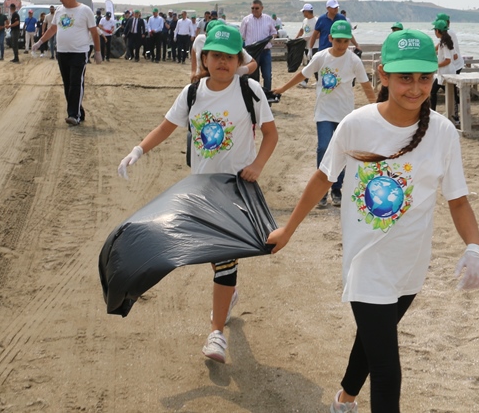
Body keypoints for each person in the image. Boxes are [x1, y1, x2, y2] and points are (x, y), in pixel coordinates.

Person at [266, 28, 479, 413]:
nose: (415, 88)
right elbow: (323, 177)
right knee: (388, 369)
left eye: (424, 77)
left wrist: (475, 246)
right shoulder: (357, 124)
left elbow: (458, 200)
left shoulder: (443, 133)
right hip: (366, 262)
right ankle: (349, 400)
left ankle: (344, 399)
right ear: (382, 75)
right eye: (405, 78)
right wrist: (289, 228)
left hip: (411, 266)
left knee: (372, 341)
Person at [116, 24, 278, 364]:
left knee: (223, 259)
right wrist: (138, 150)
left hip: (237, 188)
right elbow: (166, 127)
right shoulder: (192, 94)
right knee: (216, 255)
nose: (222, 63)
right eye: (216, 56)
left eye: (229, 57)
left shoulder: (250, 90)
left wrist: (258, 166)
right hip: (202, 188)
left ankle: (216, 333)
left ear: (239, 60)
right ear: (204, 58)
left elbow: (270, 135)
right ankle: (227, 297)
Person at [273, 19, 376, 207]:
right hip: (324, 112)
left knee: (343, 151)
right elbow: (302, 74)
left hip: (345, 114)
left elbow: (366, 86)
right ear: (330, 38)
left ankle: (336, 189)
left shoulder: (354, 60)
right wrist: (282, 88)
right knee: (323, 148)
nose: (342, 45)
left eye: (346, 41)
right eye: (338, 41)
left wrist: (377, 108)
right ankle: (321, 190)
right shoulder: (321, 57)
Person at [34, 0, 102, 126]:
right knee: (68, 84)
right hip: (62, 52)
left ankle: (73, 115)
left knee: (76, 83)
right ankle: (78, 111)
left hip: (79, 52)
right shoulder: (59, 10)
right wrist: (40, 42)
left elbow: (94, 32)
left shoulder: (85, 10)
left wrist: (97, 52)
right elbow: (53, 29)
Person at [190, 20, 258, 82]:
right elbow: (193, 49)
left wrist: (239, 71)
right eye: (216, 55)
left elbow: (253, 63)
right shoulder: (200, 40)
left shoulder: (232, 47)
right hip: (201, 80)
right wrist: (193, 71)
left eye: (229, 56)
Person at [239, 0, 278, 91]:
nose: (254, 10)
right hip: (252, 53)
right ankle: (254, 95)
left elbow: (274, 32)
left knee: (267, 75)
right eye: (252, 8)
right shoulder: (246, 20)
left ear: (262, 8)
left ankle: (267, 95)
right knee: (252, 75)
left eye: (257, 8)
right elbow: (242, 36)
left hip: (265, 51)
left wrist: (272, 38)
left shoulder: (268, 19)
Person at [431, 19, 462, 121]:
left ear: (438, 31)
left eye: (435, 30)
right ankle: (452, 114)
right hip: (446, 72)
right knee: (449, 94)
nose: (434, 32)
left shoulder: (444, 43)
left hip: (446, 73)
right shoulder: (445, 41)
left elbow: (448, 60)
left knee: (436, 92)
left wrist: (436, 65)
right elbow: (455, 55)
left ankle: (454, 116)